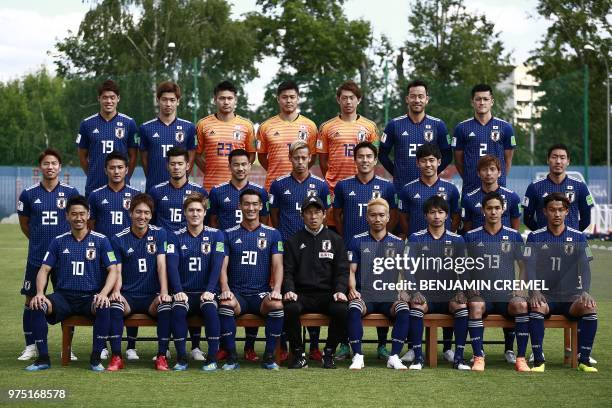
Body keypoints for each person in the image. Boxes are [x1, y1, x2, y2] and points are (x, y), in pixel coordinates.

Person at [25, 196, 118, 371]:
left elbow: (113, 270)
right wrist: (39, 293)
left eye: (82, 214)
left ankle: (96, 358)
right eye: (74, 214)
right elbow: (44, 269)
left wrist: (104, 293)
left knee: (105, 306)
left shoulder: (101, 240)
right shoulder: (58, 241)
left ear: (88, 214)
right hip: (63, 298)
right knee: (36, 305)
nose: (78, 218)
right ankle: (43, 358)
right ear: (67, 216)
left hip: (90, 297)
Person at [333, 141, 396, 359]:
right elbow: (337, 215)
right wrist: (345, 239)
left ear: (376, 160)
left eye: (369, 156)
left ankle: (382, 344)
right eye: (361, 156)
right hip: (351, 249)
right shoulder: (343, 186)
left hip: (379, 248)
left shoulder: (387, 187)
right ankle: (344, 343)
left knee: (382, 290)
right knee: (348, 295)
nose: (365, 160)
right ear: (355, 159)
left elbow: (393, 215)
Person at [144, 146, 207, 360]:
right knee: (166, 297)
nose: (177, 167)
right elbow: (150, 223)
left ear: (188, 165)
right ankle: (166, 346)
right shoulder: (156, 191)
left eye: (181, 163)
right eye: (173, 163)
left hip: (190, 250)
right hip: (162, 253)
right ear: (167, 166)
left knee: (189, 293)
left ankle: (196, 345)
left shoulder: (198, 191)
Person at [524, 192, 598, 372]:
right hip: (545, 296)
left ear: (567, 212)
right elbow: (529, 267)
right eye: (552, 210)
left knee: (590, 307)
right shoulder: (534, 237)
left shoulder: (579, 237)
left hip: (571, 297)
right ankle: (539, 360)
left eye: (560, 210)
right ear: (544, 212)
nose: (556, 214)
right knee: (536, 307)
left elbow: (586, 268)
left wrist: (585, 291)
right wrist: (534, 291)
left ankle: (584, 359)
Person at [17, 149, 79, 361]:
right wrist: (39, 243)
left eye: (54, 163)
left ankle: (67, 347)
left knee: (67, 300)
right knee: (31, 299)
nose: (50, 167)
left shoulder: (71, 193)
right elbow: (25, 225)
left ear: (60, 167)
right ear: (40, 167)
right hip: (37, 256)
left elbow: (79, 220)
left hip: (65, 257)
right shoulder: (28, 193)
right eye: (46, 163)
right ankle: (31, 346)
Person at [207, 148, 268, 362]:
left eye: (244, 164)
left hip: (253, 249)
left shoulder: (260, 191)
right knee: (226, 297)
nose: (240, 168)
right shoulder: (217, 191)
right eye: (236, 164)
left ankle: (250, 347)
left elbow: (267, 222)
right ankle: (225, 345)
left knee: (252, 291)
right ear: (229, 166)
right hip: (226, 253)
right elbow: (213, 222)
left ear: (250, 166)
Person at [218, 189, 284, 370]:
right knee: (225, 304)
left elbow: (278, 265)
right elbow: (222, 267)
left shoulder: (273, 234)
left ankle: (269, 356)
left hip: (260, 294)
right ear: (240, 206)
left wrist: (276, 289)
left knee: (277, 305)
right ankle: (232, 357)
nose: (251, 208)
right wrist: (225, 288)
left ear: (261, 206)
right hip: (237, 293)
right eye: (246, 204)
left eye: (255, 204)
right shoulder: (227, 234)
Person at [464, 192, 531, 372]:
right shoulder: (471, 236)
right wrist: (469, 287)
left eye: (497, 208)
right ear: (483, 211)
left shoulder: (514, 236)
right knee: (475, 306)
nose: (493, 212)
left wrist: (520, 287)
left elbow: (524, 265)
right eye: (489, 208)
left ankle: (521, 358)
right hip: (482, 295)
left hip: (506, 296)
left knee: (521, 306)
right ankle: (479, 357)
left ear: (503, 210)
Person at [107, 193, 172, 371]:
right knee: (115, 307)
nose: (142, 216)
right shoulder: (118, 238)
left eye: (146, 213)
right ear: (130, 213)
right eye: (138, 212)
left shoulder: (160, 234)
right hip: (128, 296)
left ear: (151, 215)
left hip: (152, 296)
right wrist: (116, 291)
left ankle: (161, 356)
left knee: (166, 307)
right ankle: (116, 357)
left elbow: (161, 265)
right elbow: (117, 270)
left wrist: (164, 292)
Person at [282, 196, 348, 369]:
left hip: (327, 294)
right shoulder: (293, 241)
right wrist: (289, 289)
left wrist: (340, 290)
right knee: (290, 307)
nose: (313, 217)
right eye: (309, 212)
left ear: (324, 215)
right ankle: (298, 354)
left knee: (341, 308)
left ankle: (329, 353)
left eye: (317, 212)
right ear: (302, 215)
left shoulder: (336, 240)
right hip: (302, 294)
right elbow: (287, 271)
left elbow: (342, 271)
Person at [407, 195, 469, 371]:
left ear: (447, 216)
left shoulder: (457, 239)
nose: (436, 216)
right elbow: (408, 269)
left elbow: (463, 270)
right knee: (417, 308)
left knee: (462, 308)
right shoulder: (415, 238)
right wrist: (414, 291)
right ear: (425, 215)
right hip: (425, 294)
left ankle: (459, 358)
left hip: (448, 294)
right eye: (432, 212)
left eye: (440, 212)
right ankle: (418, 358)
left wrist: (463, 291)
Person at [346, 198, 409, 370]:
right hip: (365, 295)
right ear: (367, 217)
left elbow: (404, 272)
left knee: (403, 308)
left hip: (388, 296)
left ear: (388, 217)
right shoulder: (357, 241)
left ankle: (394, 356)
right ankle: (358, 356)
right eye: (373, 215)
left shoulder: (398, 243)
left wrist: (403, 290)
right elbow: (351, 271)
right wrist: (352, 289)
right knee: (353, 308)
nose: (377, 219)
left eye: (382, 215)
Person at [166, 193, 225, 371]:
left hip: (205, 291)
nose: (195, 214)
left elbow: (217, 265)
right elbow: (171, 266)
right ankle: (182, 358)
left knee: (210, 308)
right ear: (184, 213)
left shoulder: (217, 236)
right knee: (177, 310)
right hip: (184, 292)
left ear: (205, 212)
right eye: (191, 210)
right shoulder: (174, 236)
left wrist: (211, 290)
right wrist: (177, 290)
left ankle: (212, 358)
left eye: (199, 210)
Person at [379, 79, 452, 192]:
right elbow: (382, 155)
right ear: (407, 99)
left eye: (420, 96)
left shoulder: (438, 125)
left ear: (426, 99)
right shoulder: (394, 124)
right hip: (402, 187)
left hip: (429, 186)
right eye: (413, 96)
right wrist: (396, 173)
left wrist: (434, 172)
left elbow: (447, 155)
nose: (417, 100)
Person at [76, 79, 138, 196]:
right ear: (98, 98)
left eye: (112, 97)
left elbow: (133, 155)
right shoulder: (87, 124)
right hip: (95, 185)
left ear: (118, 98)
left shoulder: (129, 123)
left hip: (122, 187)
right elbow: (82, 155)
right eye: (105, 97)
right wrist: (92, 173)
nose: (109, 101)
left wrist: (126, 175)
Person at [452, 83, 515, 196]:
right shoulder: (461, 128)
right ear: (472, 102)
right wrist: (470, 178)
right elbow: (458, 161)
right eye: (478, 99)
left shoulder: (505, 127)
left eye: (485, 99)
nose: (482, 103)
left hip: (497, 188)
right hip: (471, 187)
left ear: (492, 101)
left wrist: (497, 178)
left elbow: (508, 160)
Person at [194, 80, 256, 192]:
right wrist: (209, 170)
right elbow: (197, 155)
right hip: (211, 186)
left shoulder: (247, 125)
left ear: (235, 100)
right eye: (222, 98)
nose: (226, 102)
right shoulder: (203, 124)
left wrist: (241, 171)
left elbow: (252, 154)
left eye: (230, 98)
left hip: (239, 187)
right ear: (215, 100)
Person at [257, 80, 318, 191]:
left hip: (302, 185)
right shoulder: (265, 126)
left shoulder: (310, 126)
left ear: (298, 98)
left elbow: (312, 156)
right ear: (278, 99)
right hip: (273, 185)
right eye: (284, 97)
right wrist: (275, 170)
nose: (288, 101)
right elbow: (261, 156)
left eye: (292, 97)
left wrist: (300, 170)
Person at [139, 81, 197, 192]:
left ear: (178, 101)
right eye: (164, 99)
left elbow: (191, 158)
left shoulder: (189, 127)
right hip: (154, 187)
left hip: (180, 188)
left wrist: (181, 179)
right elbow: (144, 161)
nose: (168, 104)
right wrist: (153, 178)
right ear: (158, 100)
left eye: (172, 100)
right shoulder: (145, 128)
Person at [523, 144, 593, 232]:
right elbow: (527, 218)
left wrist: (574, 235)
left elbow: (586, 218)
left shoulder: (580, 186)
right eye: (554, 157)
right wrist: (541, 235)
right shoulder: (534, 187)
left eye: (562, 158)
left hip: (571, 243)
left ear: (568, 161)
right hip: (544, 243)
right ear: (548, 160)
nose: (558, 161)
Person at [270, 140, 330, 242]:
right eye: (296, 158)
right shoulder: (278, 184)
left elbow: (326, 212)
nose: (300, 162)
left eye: (303, 158)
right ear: (290, 158)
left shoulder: (321, 185)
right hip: (287, 242)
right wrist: (282, 233)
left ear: (310, 158)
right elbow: (274, 213)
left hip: (311, 241)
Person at [398, 143, 460, 238]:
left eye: (431, 160)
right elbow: (402, 217)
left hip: (444, 244)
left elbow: (456, 216)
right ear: (417, 163)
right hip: (417, 244)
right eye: (423, 161)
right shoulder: (407, 189)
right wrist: (412, 236)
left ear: (439, 162)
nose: (428, 165)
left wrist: (446, 235)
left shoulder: (451, 188)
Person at [88, 151, 141, 240]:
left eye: (120, 167)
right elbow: (90, 224)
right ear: (105, 170)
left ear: (126, 170)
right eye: (112, 168)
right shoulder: (95, 195)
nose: (116, 171)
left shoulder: (136, 194)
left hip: (129, 246)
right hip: (104, 247)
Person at [461, 154, 521, 233]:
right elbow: (467, 229)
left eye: (492, 169)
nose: (488, 173)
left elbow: (515, 228)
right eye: (484, 169)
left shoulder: (512, 197)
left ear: (499, 173)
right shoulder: (469, 198)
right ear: (478, 173)